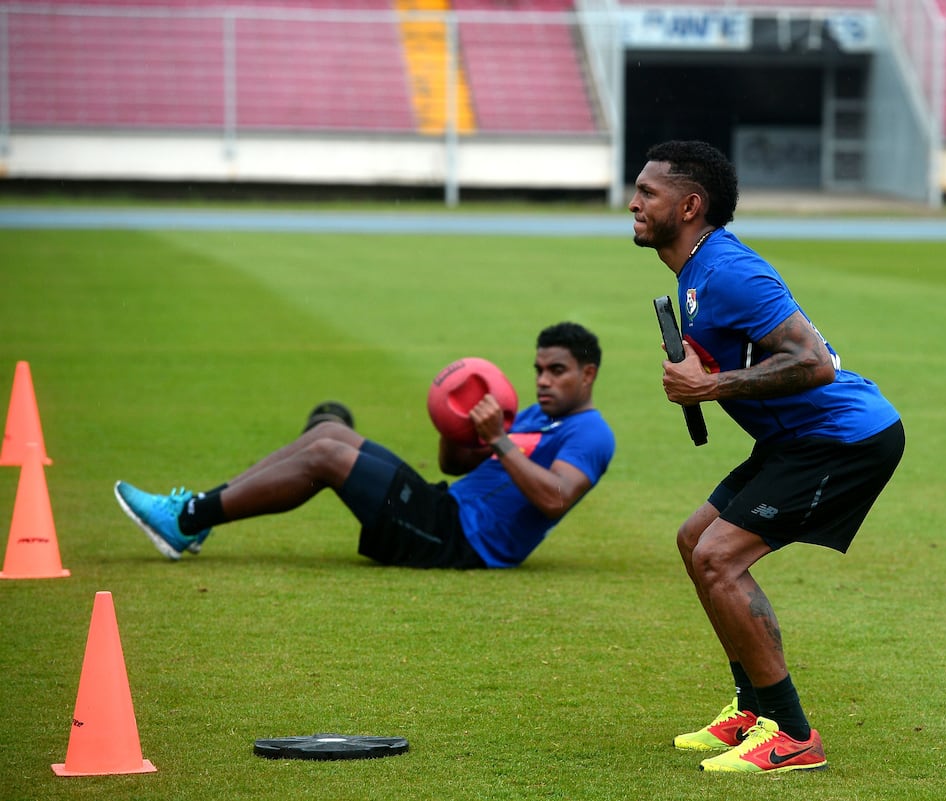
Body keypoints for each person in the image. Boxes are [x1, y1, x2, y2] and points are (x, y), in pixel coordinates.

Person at [629, 141, 904, 774]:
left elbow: (813, 362)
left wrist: (710, 386)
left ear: (690, 205)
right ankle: (752, 713)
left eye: (648, 193)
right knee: (693, 538)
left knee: (719, 558)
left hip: (845, 437)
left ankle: (794, 735)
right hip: (797, 440)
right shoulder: (695, 269)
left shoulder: (728, 270)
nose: (634, 203)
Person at [114, 322, 615, 570]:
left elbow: (554, 498)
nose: (543, 381)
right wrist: (456, 423)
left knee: (327, 456)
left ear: (587, 374)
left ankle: (185, 522)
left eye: (557, 371)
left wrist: (499, 441)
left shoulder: (591, 433)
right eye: (538, 370)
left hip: (461, 543)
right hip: (443, 506)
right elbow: (455, 465)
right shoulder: (532, 415)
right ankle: (196, 512)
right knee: (329, 434)